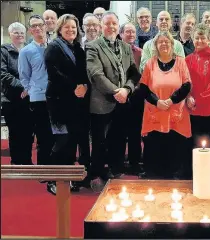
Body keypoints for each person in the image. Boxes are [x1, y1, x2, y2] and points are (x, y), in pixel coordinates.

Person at [86, 11, 141, 192]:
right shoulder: (93, 46)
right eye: (107, 24)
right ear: (102, 26)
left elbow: (134, 73)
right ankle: (97, 173)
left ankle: (115, 169)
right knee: (100, 141)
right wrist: (117, 91)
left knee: (118, 139)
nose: (111, 27)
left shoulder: (126, 47)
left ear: (118, 26)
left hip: (123, 101)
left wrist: (127, 89)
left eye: (114, 24)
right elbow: (95, 74)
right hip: (102, 102)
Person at [44, 14, 90, 193]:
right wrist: (74, 87)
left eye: (73, 27)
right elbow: (53, 73)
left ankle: (67, 178)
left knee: (72, 141)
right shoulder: (54, 47)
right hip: (58, 102)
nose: (71, 30)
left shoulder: (77, 47)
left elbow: (83, 71)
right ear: (60, 29)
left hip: (76, 102)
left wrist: (84, 85)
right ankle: (53, 180)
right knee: (62, 140)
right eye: (67, 27)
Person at [139, 31, 192, 179]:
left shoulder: (181, 62)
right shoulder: (150, 63)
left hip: (176, 112)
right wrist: (157, 102)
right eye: (160, 42)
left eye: (167, 42)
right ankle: (154, 177)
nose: (164, 44)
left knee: (175, 147)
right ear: (155, 45)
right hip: (155, 112)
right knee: (155, 148)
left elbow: (187, 85)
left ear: (172, 44)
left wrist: (171, 100)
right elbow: (143, 88)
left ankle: (173, 177)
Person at [18, 15, 55, 194]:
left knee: (58, 135)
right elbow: (24, 75)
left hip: (57, 97)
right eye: (34, 26)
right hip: (39, 98)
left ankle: (57, 170)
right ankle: (43, 171)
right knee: (43, 137)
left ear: (46, 26)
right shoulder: (26, 51)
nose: (38, 28)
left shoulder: (54, 45)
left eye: (41, 25)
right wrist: (31, 90)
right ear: (30, 30)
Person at [185, 23, 210, 173]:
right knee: (194, 143)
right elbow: (185, 82)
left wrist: (198, 100)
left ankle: (208, 173)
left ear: (208, 39)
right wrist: (188, 97)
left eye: (202, 38)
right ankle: (195, 173)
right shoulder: (188, 59)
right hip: (192, 109)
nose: (199, 41)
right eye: (196, 38)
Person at [1, 22, 34, 166]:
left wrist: (30, 88)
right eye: (16, 32)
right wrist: (23, 87)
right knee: (15, 132)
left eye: (21, 32)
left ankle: (26, 161)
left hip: (29, 98)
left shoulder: (30, 49)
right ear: (10, 35)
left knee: (28, 132)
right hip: (11, 98)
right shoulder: (4, 51)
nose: (19, 34)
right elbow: (3, 74)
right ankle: (16, 162)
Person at [119, 21, 145, 176]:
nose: (130, 35)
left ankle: (135, 162)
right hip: (119, 95)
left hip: (136, 96)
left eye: (133, 32)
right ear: (121, 34)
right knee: (120, 132)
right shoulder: (115, 50)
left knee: (135, 132)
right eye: (127, 31)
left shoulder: (140, 52)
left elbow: (142, 74)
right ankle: (120, 162)